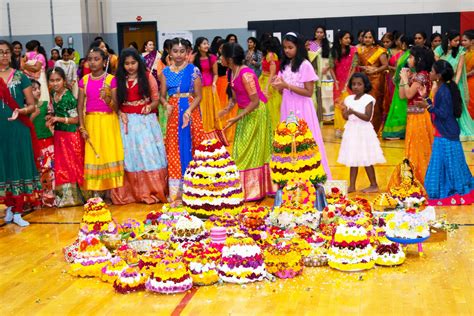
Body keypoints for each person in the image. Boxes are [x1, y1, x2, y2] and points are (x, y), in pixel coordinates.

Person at [271, 32, 332, 179]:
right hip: (287, 107)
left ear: (298, 47)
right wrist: (278, 86)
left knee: (305, 142)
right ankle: (291, 178)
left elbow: (308, 92)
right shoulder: (284, 65)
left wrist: (287, 85)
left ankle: (311, 178)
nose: (287, 50)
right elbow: (282, 91)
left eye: (290, 47)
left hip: (302, 108)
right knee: (288, 142)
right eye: (285, 47)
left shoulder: (305, 65)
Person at [219, 42, 275, 201]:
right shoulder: (232, 72)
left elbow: (255, 101)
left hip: (255, 114)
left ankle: (254, 190)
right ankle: (244, 188)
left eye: (222, 56)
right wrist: (227, 109)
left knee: (252, 151)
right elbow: (236, 98)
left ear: (229, 59)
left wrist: (236, 118)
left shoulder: (246, 74)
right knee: (239, 150)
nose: (220, 59)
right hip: (244, 113)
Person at [111, 48, 168, 204]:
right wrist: (119, 111)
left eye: (133, 63)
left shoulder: (148, 77)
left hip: (144, 122)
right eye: (126, 64)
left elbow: (156, 99)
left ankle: (152, 189)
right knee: (129, 156)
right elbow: (116, 103)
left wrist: (150, 106)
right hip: (126, 122)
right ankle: (129, 193)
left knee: (147, 155)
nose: (130, 66)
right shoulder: (118, 80)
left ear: (139, 63)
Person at [417, 60, 473, 205]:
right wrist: (426, 98)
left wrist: (427, 106)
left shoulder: (444, 90)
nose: (430, 73)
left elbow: (444, 113)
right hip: (445, 132)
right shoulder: (444, 88)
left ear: (439, 75)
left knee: (449, 163)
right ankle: (452, 187)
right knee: (450, 163)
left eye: (432, 71)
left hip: (446, 134)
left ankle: (451, 190)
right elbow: (440, 108)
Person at [0, 40, 41, 227]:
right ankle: (8, 206)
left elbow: (33, 105)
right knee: (5, 167)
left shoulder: (20, 77)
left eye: (7, 52)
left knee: (19, 167)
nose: (4, 56)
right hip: (1, 131)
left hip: (18, 129)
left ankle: (18, 210)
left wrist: (22, 111)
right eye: (0, 52)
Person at [159, 38, 205, 203]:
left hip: (190, 112)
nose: (178, 55)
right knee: (174, 147)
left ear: (187, 53)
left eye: (182, 51)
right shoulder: (165, 72)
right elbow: (161, 95)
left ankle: (195, 186)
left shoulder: (194, 70)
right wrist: (166, 105)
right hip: (173, 114)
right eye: (175, 51)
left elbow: (199, 96)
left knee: (193, 144)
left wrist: (189, 110)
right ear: (169, 52)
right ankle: (177, 191)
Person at [77, 47, 124, 194]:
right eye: (89, 59)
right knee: (94, 154)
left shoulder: (111, 80)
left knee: (109, 153)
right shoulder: (84, 81)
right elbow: (79, 107)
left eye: (96, 59)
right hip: (91, 122)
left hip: (109, 122)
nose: (92, 62)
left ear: (104, 62)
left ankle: (111, 192)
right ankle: (96, 192)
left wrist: (108, 98)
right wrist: (82, 127)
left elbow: (116, 107)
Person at [337, 73, 385, 193]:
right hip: (352, 131)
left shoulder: (368, 99)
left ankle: (374, 184)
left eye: (359, 84)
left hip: (364, 132)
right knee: (353, 158)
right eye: (353, 84)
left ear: (365, 86)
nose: (356, 87)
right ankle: (352, 185)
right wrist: (344, 112)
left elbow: (367, 117)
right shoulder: (348, 99)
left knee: (366, 158)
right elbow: (346, 117)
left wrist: (353, 111)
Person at [46, 67, 84, 207]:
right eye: (52, 80)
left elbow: (76, 120)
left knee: (74, 165)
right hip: (59, 135)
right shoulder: (53, 94)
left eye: (58, 80)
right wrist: (51, 117)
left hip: (71, 135)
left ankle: (79, 197)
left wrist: (58, 119)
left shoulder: (68, 97)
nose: (55, 83)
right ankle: (67, 199)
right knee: (63, 166)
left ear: (64, 80)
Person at [399, 46, 435, 184]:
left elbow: (408, 94)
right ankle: (416, 176)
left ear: (418, 59)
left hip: (419, 115)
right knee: (414, 146)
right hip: (413, 115)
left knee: (419, 148)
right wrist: (404, 79)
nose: (409, 59)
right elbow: (403, 95)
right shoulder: (416, 75)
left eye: (411, 57)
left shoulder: (422, 76)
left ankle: (421, 178)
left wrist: (404, 78)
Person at [434, 30, 474, 141]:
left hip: (456, 83)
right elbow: (438, 68)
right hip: (442, 83)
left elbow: (460, 69)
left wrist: (454, 85)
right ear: (448, 41)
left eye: (459, 40)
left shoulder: (461, 51)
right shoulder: (438, 51)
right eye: (455, 40)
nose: (458, 43)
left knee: (456, 105)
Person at [193, 37, 227, 144]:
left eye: (207, 43)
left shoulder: (212, 57)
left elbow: (216, 74)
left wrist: (214, 83)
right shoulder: (194, 58)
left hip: (209, 88)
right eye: (204, 44)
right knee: (200, 111)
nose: (206, 45)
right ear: (198, 47)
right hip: (198, 89)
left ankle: (211, 136)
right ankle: (201, 135)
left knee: (211, 111)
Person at [357, 30, 388, 133]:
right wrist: (363, 67)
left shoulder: (380, 50)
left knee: (374, 103)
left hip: (376, 79)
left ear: (374, 39)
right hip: (363, 79)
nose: (367, 39)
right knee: (363, 103)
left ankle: (374, 128)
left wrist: (375, 70)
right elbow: (357, 65)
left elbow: (385, 65)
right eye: (366, 37)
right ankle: (363, 127)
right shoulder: (359, 50)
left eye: (370, 37)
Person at [30, 79, 55, 207]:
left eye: (38, 88)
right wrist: (33, 115)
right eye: (34, 89)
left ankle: (50, 198)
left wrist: (50, 119)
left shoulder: (46, 105)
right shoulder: (25, 109)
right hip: (35, 144)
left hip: (48, 142)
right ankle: (38, 198)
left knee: (50, 170)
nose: (38, 91)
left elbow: (53, 118)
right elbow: (26, 125)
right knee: (39, 170)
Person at [382, 34, 412, 139]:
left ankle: (401, 131)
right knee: (397, 106)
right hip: (399, 83)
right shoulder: (403, 54)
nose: (397, 42)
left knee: (401, 107)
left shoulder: (409, 55)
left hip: (404, 83)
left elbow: (408, 69)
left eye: (400, 41)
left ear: (404, 43)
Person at [329, 30, 358, 138]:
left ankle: (349, 128)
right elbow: (331, 67)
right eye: (346, 38)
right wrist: (335, 80)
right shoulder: (334, 51)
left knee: (349, 104)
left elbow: (354, 67)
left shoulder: (353, 50)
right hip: (338, 82)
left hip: (350, 82)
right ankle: (339, 128)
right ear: (340, 39)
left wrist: (348, 81)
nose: (348, 40)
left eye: (349, 38)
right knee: (338, 105)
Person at [309, 26, 334, 124]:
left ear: (324, 34)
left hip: (327, 71)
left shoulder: (328, 45)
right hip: (316, 71)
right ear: (315, 33)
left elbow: (332, 59)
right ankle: (320, 115)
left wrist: (327, 68)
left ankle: (329, 116)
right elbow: (310, 59)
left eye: (321, 32)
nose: (319, 34)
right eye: (317, 32)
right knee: (318, 94)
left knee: (328, 94)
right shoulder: (312, 45)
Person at [259, 37, 282, 132]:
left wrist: (266, 87)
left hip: (268, 81)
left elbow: (272, 72)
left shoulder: (271, 55)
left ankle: (272, 128)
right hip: (265, 79)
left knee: (271, 106)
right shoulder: (271, 55)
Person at [462, 30, 474, 118]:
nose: (462, 42)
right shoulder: (463, 52)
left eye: (465, 40)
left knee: (471, 102)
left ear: (472, 41)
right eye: (462, 40)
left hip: (471, 82)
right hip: (463, 81)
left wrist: (465, 75)